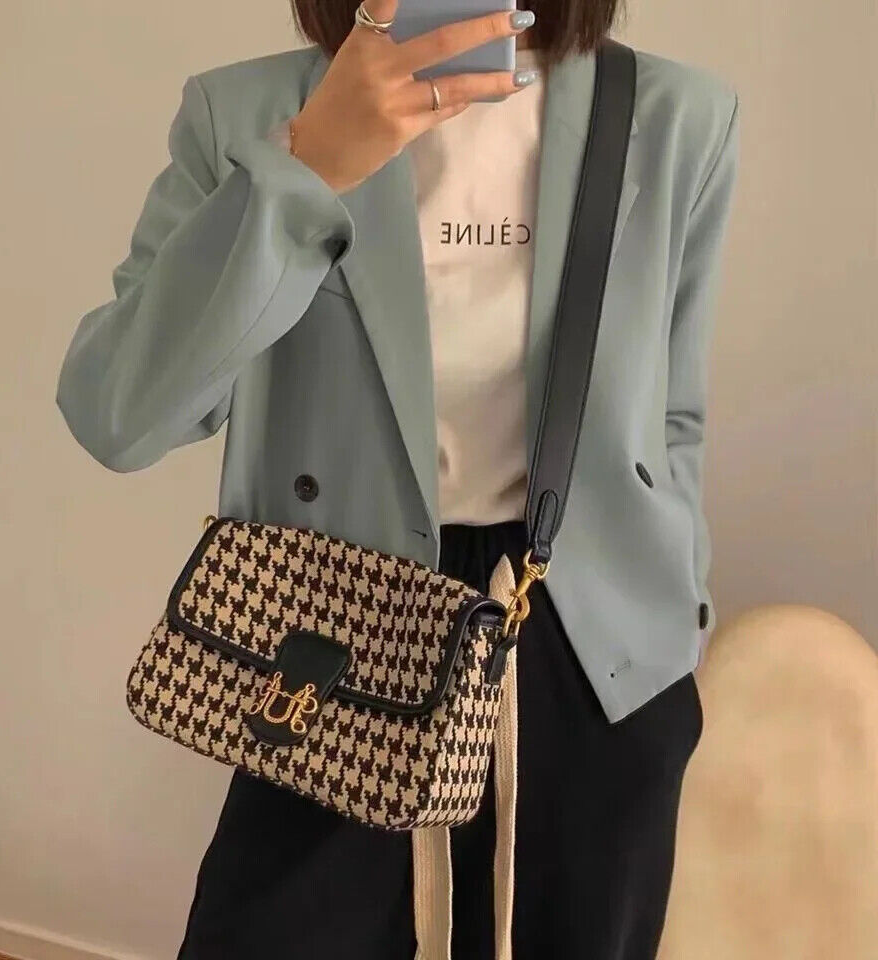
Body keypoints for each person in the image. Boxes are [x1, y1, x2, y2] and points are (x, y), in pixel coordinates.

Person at [55, 1, 741, 956]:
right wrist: (304, 168)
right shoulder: (246, 114)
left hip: (591, 646)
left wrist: (672, 607)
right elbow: (120, 414)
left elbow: (673, 413)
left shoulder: (676, 117)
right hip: (334, 628)